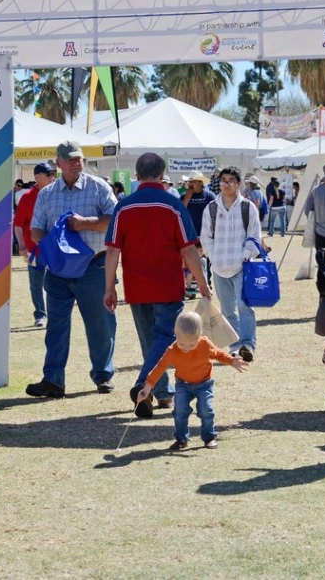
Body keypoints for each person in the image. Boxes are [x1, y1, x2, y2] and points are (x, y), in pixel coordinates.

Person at [104, 153, 212, 418]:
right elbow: (188, 250)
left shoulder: (123, 206)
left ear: (137, 175)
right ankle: (146, 384)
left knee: (150, 341)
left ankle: (161, 393)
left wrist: (109, 287)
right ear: (162, 174)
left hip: (136, 285)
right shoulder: (173, 205)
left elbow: (112, 251)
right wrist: (202, 283)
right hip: (167, 284)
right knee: (165, 337)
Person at [27, 142, 119, 398]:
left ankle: (103, 376)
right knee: (55, 326)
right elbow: (35, 231)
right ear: (58, 163)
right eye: (70, 159)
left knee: (100, 323)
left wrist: (83, 223)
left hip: (93, 267)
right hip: (58, 270)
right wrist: (54, 239)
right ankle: (54, 381)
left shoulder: (98, 187)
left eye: (79, 158)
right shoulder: (46, 194)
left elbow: (115, 222)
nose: (76, 162)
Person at [136, 310, 249, 450]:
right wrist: (147, 388)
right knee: (180, 412)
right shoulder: (172, 350)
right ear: (175, 335)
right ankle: (181, 439)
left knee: (206, 410)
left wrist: (231, 361)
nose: (186, 348)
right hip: (183, 385)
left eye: (191, 345)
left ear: (200, 335)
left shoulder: (205, 344)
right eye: (182, 344)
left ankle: (209, 437)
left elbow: (218, 354)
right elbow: (159, 368)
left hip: (204, 384)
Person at [200, 166, 262, 362]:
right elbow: (206, 238)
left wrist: (244, 256)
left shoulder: (247, 207)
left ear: (239, 184)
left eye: (231, 181)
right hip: (218, 267)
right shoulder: (211, 208)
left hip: (242, 266)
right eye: (223, 180)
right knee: (227, 310)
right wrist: (213, 256)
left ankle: (248, 344)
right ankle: (235, 346)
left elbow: (255, 236)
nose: (226, 184)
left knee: (245, 306)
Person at [13, 162, 56, 328]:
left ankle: (54, 314)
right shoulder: (27, 197)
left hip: (54, 249)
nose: (53, 177)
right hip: (33, 249)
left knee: (56, 282)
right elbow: (18, 224)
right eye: (49, 174)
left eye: (53, 174)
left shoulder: (56, 194)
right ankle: (40, 315)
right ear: (38, 177)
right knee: (36, 282)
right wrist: (22, 245)